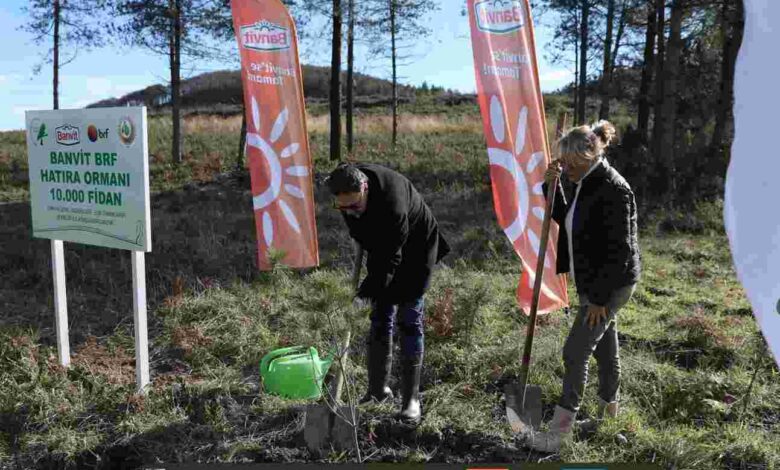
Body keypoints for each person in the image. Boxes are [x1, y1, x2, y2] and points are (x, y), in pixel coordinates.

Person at [529, 121, 641, 452]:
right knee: (606, 351)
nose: (564, 168)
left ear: (587, 154)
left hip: (610, 286)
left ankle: (558, 436)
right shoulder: (586, 181)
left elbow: (620, 251)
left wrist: (598, 300)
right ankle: (609, 419)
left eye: (567, 163)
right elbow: (566, 218)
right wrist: (552, 188)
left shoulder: (612, 188)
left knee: (575, 351)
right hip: (595, 284)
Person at [326, 162, 450, 424]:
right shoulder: (346, 190)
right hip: (382, 246)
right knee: (380, 316)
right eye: (343, 208)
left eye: (355, 206)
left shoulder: (392, 202)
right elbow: (364, 233)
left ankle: (411, 401)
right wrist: (359, 228)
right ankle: (377, 390)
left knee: (409, 318)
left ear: (365, 187)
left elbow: (389, 262)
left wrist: (363, 295)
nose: (350, 213)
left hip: (415, 250)